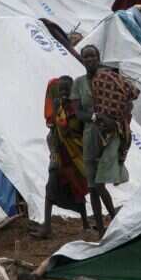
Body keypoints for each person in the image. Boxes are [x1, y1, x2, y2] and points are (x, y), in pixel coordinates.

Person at [71, 45, 138, 234]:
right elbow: (78, 113)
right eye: (86, 57)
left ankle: (115, 222)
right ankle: (102, 229)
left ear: (98, 57)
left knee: (99, 182)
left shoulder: (111, 79)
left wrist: (116, 120)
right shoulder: (78, 83)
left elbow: (128, 102)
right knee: (93, 185)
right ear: (82, 60)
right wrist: (96, 117)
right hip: (91, 135)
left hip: (110, 135)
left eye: (92, 56)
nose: (89, 59)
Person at [32, 76, 90, 239]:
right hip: (60, 157)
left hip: (74, 156)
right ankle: (48, 226)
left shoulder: (75, 108)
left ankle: (85, 223)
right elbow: (54, 131)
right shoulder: (58, 108)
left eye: (66, 89)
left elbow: (78, 130)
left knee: (76, 189)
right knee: (52, 188)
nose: (63, 92)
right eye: (60, 90)